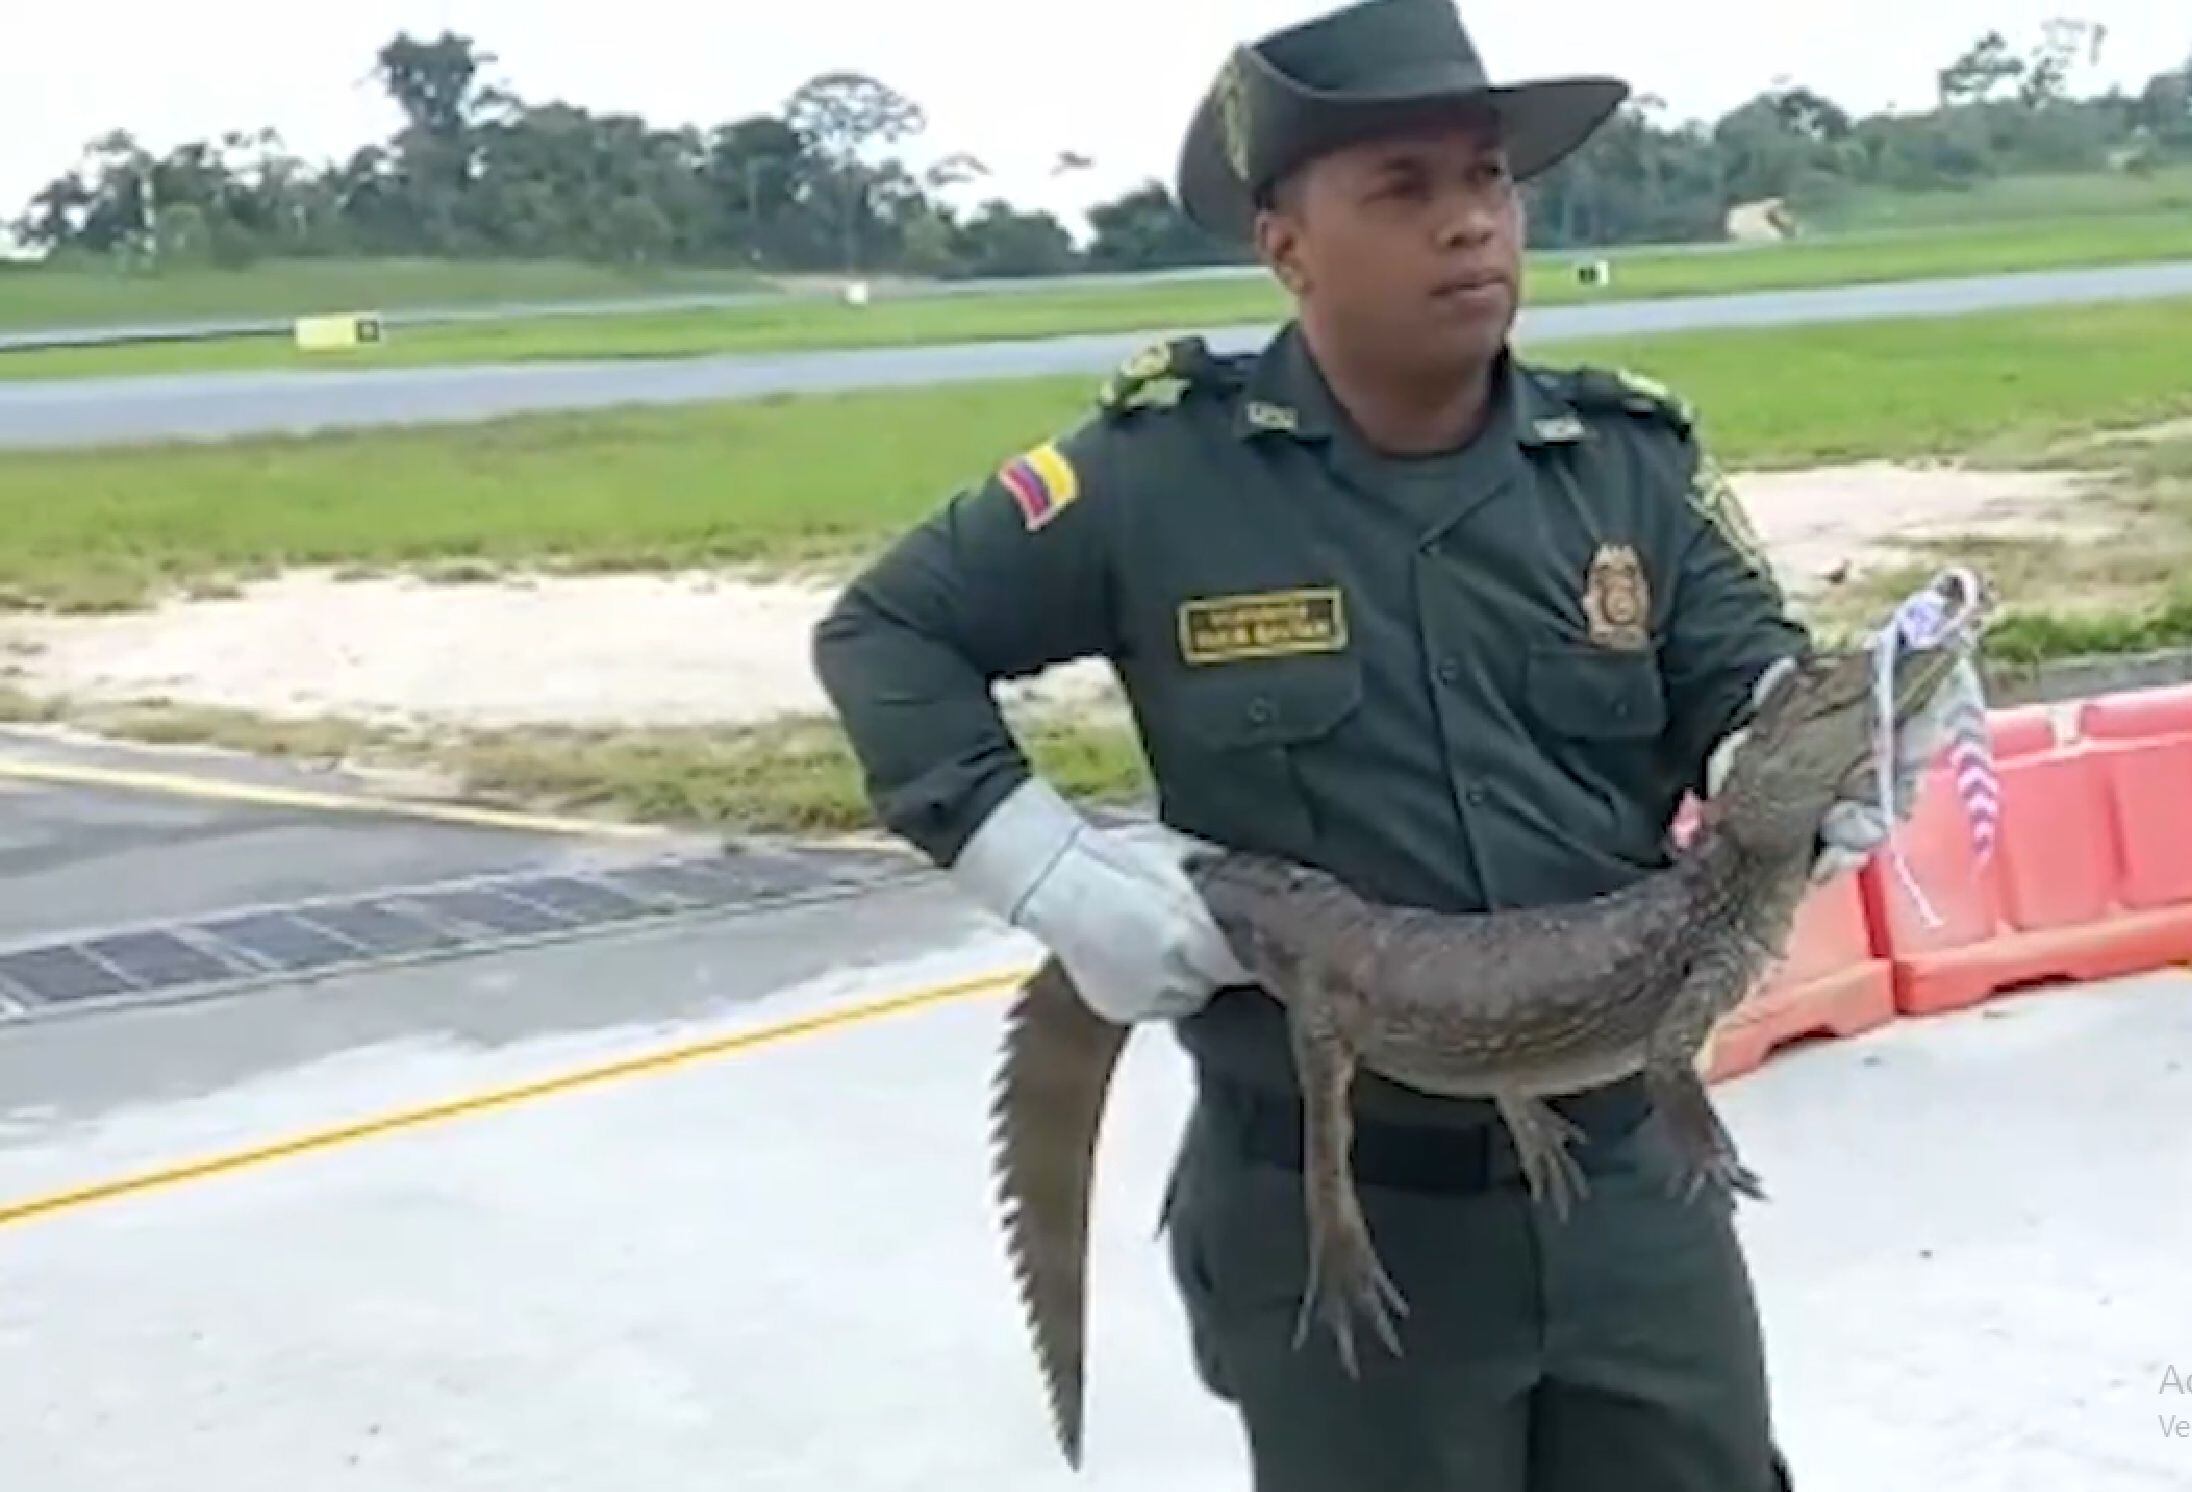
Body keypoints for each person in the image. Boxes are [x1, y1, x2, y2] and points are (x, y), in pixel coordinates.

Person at [811, 0, 1951, 1485]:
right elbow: (884, 636)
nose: (1471, 225)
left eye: (1487, 180)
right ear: (1285, 244)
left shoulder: (1625, 466)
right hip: (1341, 1216)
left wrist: (1809, 761)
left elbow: (1749, 674)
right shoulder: (1158, 477)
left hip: (1627, 1188)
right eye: (1403, 189)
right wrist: (1045, 870)